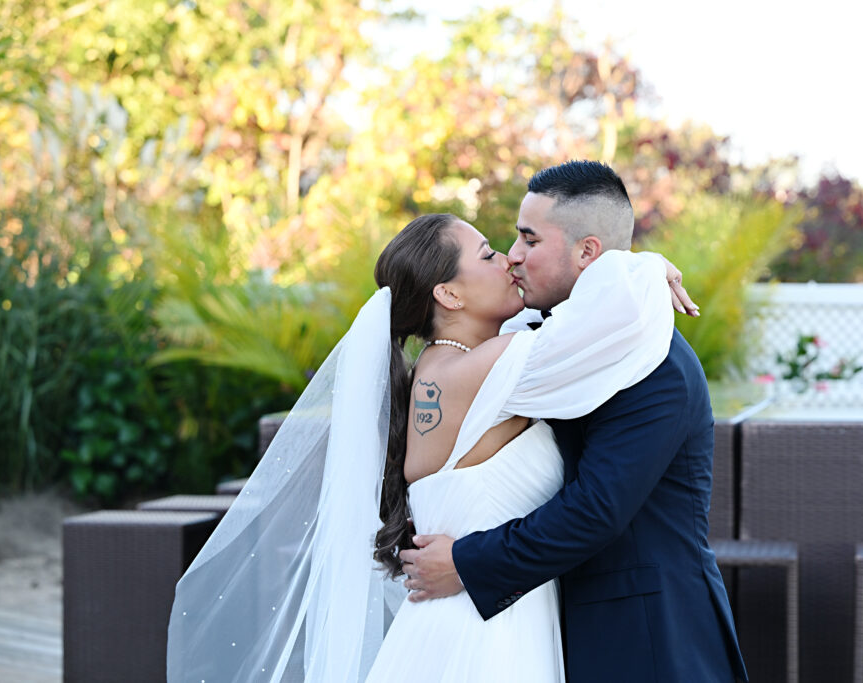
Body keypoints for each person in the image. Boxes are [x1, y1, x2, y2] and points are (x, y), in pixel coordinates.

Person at [167, 201, 688, 681]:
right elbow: (606, 320)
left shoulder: (439, 370)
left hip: (460, 616)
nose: (508, 259)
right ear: (449, 293)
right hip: (488, 635)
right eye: (487, 254)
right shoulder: (485, 369)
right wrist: (640, 267)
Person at [400, 161, 749, 682]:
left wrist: (466, 563)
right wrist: (643, 269)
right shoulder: (551, 345)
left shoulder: (659, 367)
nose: (513, 256)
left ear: (587, 252)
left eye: (529, 240)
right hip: (540, 630)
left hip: (648, 637)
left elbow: (597, 509)